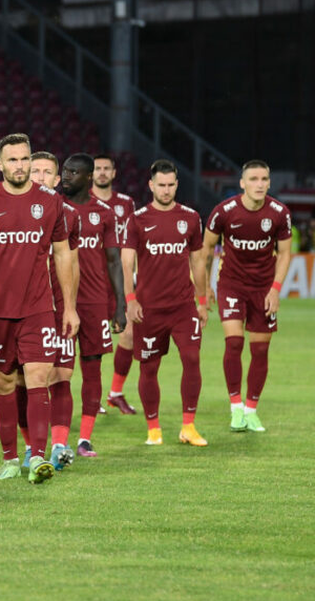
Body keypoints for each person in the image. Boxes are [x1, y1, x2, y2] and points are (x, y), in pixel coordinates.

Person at [0, 134, 77, 484]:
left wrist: (69, 307)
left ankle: (38, 457)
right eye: (13, 160)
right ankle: (10, 459)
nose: (20, 166)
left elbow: (63, 254)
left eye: (25, 159)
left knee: (39, 377)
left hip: (38, 307)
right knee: (4, 382)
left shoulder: (50, 201)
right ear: (0, 165)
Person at [120, 160, 209, 446]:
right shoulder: (137, 219)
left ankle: (188, 426)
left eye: (171, 185)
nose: (166, 190)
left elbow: (198, 261)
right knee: (149, 368)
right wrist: (130, 299)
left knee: (192, 359)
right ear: (151, 185)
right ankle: (154, 429)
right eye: (161, 185)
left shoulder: (191, 218)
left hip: (183, 306)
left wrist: (202, 300)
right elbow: (126, 263)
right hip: (149, 308)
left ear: (177, 185)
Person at [202, 160, 292, 433]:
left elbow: (285, 253)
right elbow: (207, 249)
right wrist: (205, 287)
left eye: (264, 179)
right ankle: (236, 407)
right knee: (234, 342)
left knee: (260, 349)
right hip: (231, 284)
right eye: (253, 179)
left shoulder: (279, 213)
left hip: (263, 288)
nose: (259, 184)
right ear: (242, 183)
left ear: (269, 182)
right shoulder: (224, 211)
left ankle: (252, 410)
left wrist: (275, 289)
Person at [60, 153, 127, 457]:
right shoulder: (54, 208)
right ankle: (59, 439)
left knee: (92, 369)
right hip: (60, 300)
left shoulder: (105, 213)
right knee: (60, 372)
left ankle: (84, 439)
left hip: (94, 301)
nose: (66, 176)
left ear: (88, 178)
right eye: (65, 171)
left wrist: (120, 305)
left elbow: (114, 261)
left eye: (73, 172)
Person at [29, 151, 81, 470]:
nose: (40, 177)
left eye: (47, 172)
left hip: (58, 305)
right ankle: (29, 447)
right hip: (25, 306)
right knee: (26, 378)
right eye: (35, 171)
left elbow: (72, 264)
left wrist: (70, 307)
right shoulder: (12, 209)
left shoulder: (69, 215)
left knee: (62, 374)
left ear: (57, 179)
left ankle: (59, 446)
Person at [92, 153, 139, 415]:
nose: (101, 172)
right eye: (97, 168)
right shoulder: (82, 201)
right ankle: (93, 396)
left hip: (120, 280)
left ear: (114, 173)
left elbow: (134, 239)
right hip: (93, 280)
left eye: (106, 168)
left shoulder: (126, 203)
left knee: (129, 334)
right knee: (94, 342)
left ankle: (115, 393)